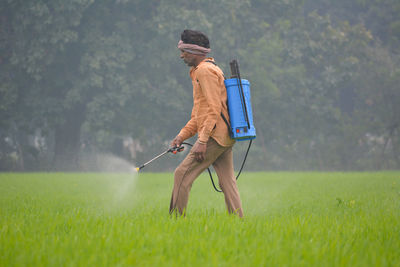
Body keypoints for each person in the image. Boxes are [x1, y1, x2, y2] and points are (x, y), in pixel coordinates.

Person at [169, 29, 243, 217]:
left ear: (195, 52)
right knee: (227, 182)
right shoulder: (200, 71)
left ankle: (175, 221)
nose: (181, 56)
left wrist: (202, 141)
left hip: (213, 136)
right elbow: (198, 115)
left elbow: (213, 108)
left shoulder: (205, 71)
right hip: (223, 135)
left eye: (184, 51)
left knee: (182, 175)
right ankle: (239, 222)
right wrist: (182, 135)